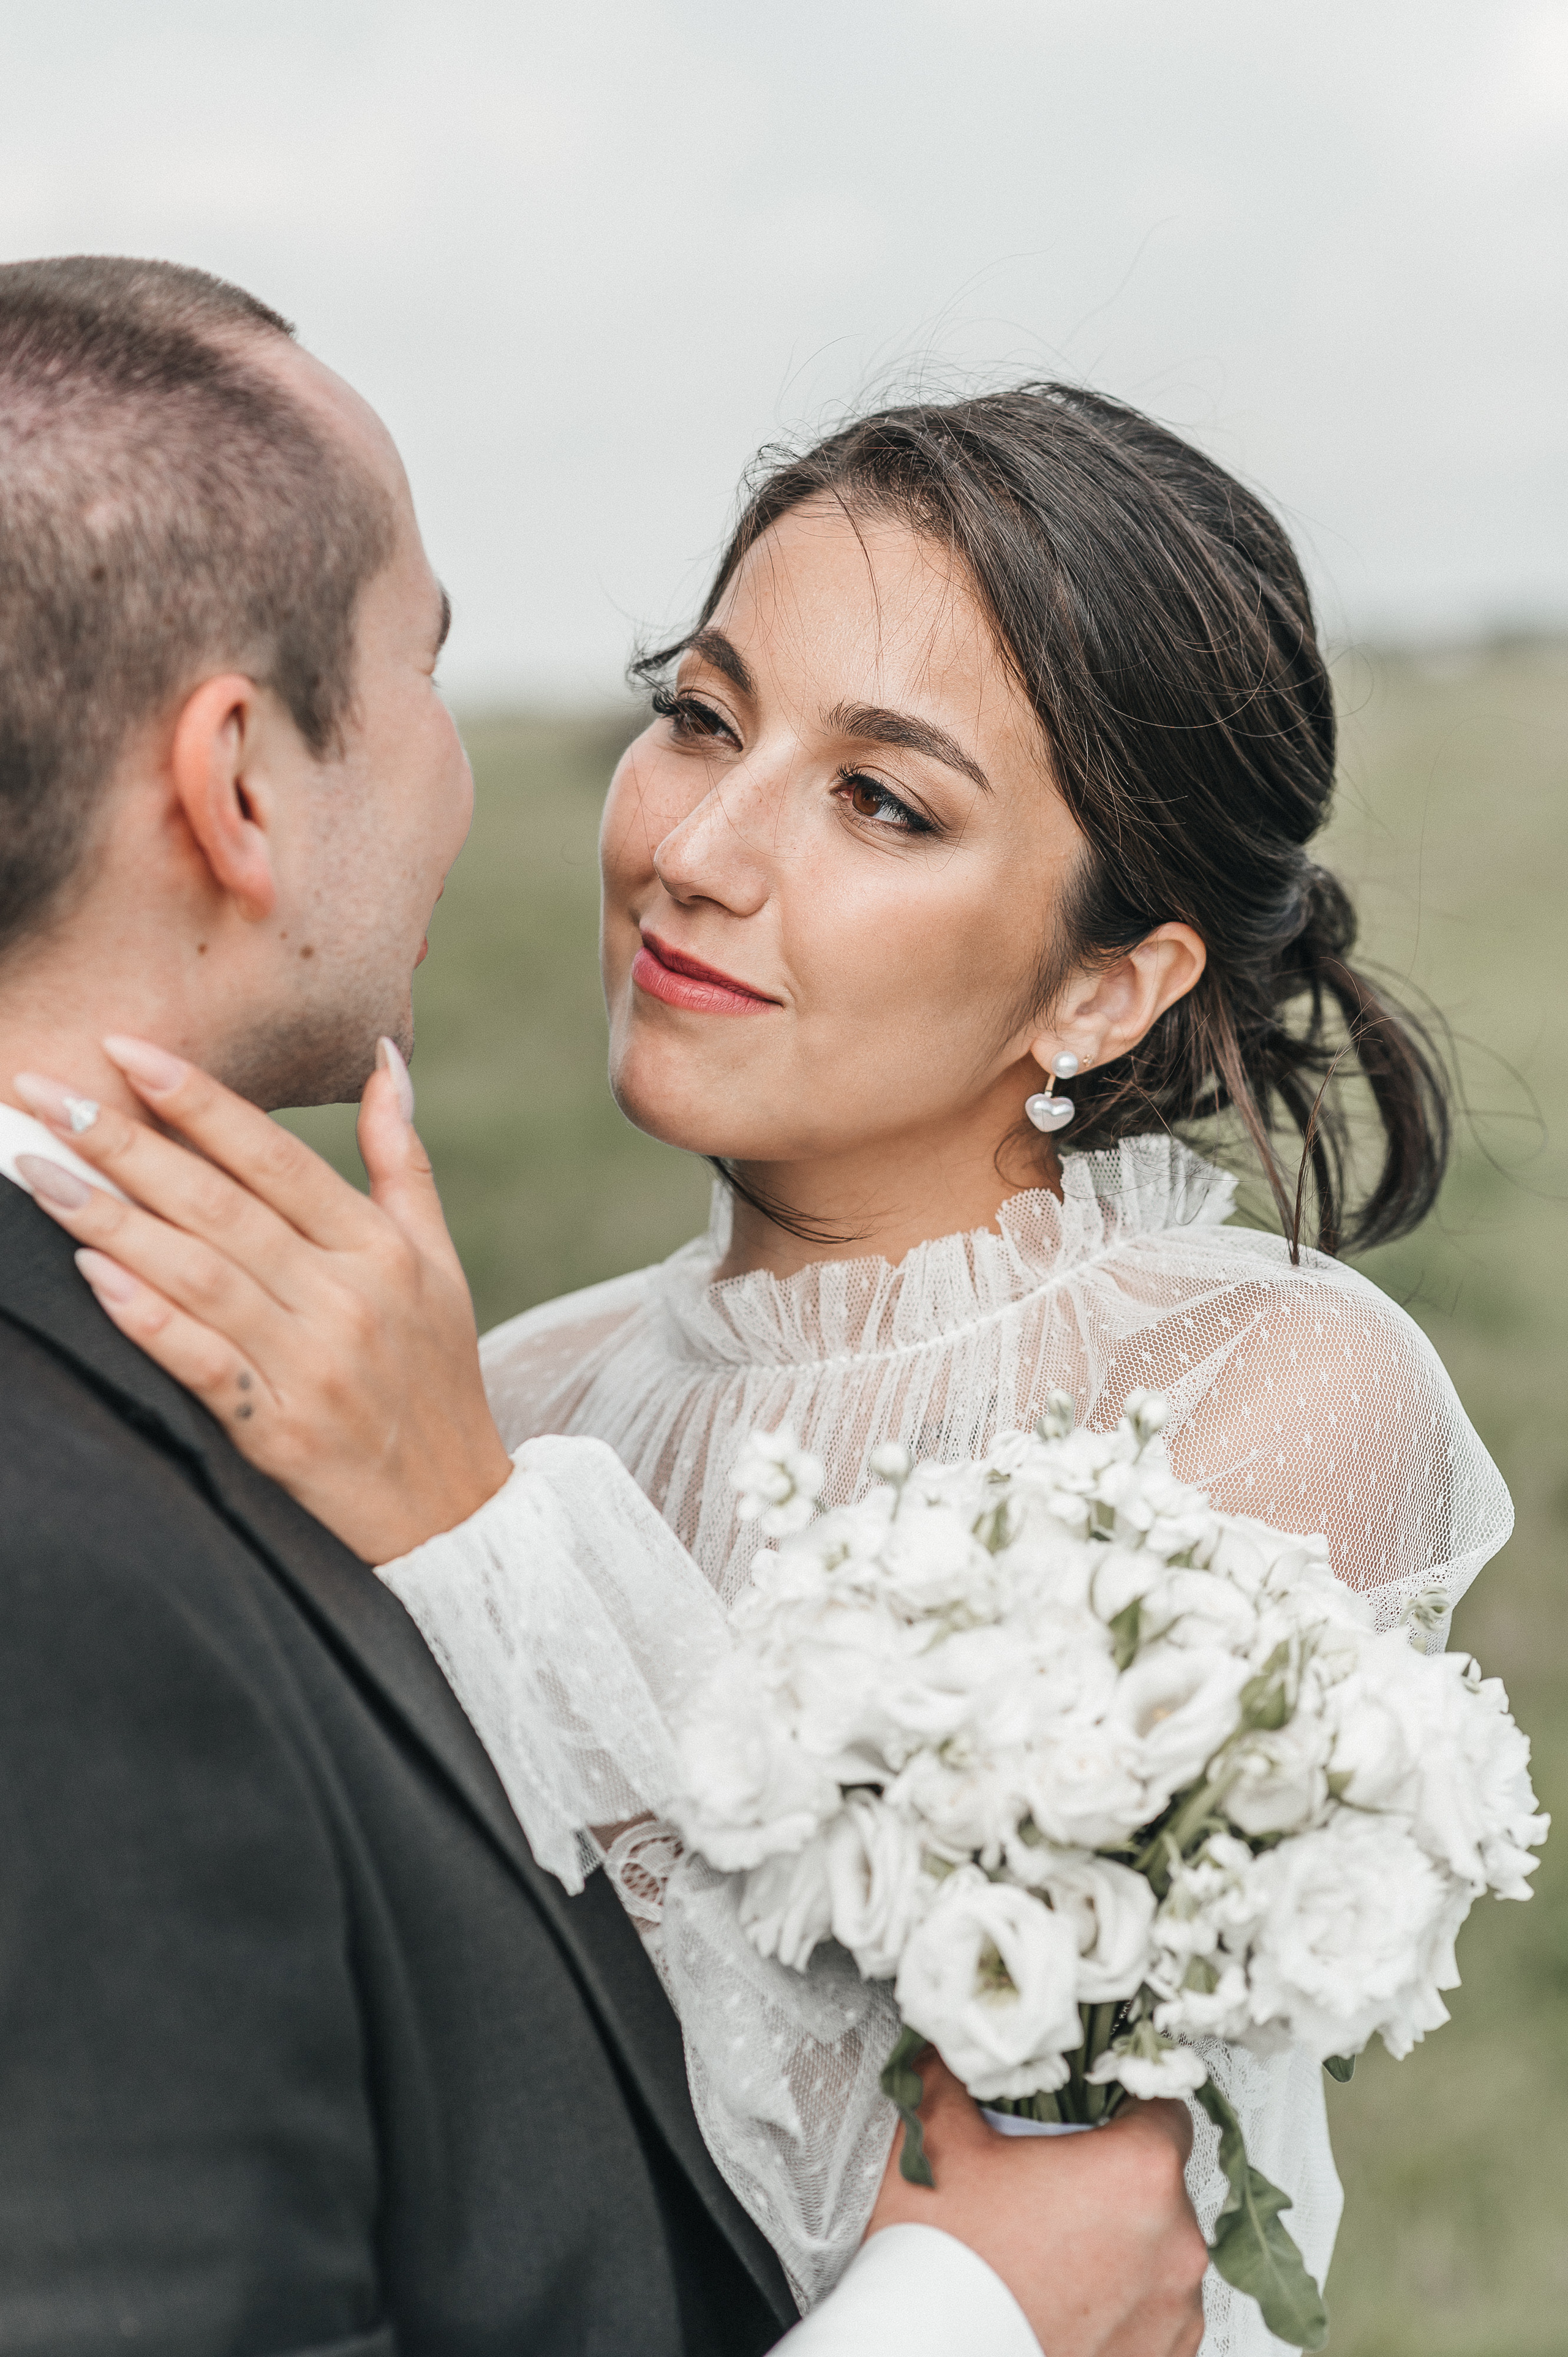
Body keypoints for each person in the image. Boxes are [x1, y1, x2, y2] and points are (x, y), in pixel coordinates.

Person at [16, 363, 1511, 2348]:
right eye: (700, 715)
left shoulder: (1267, 1387)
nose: (699, 848)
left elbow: (978, 2224)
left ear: (1104, 981)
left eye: (881, 800)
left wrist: (477, 1536)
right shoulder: (521, 1389)